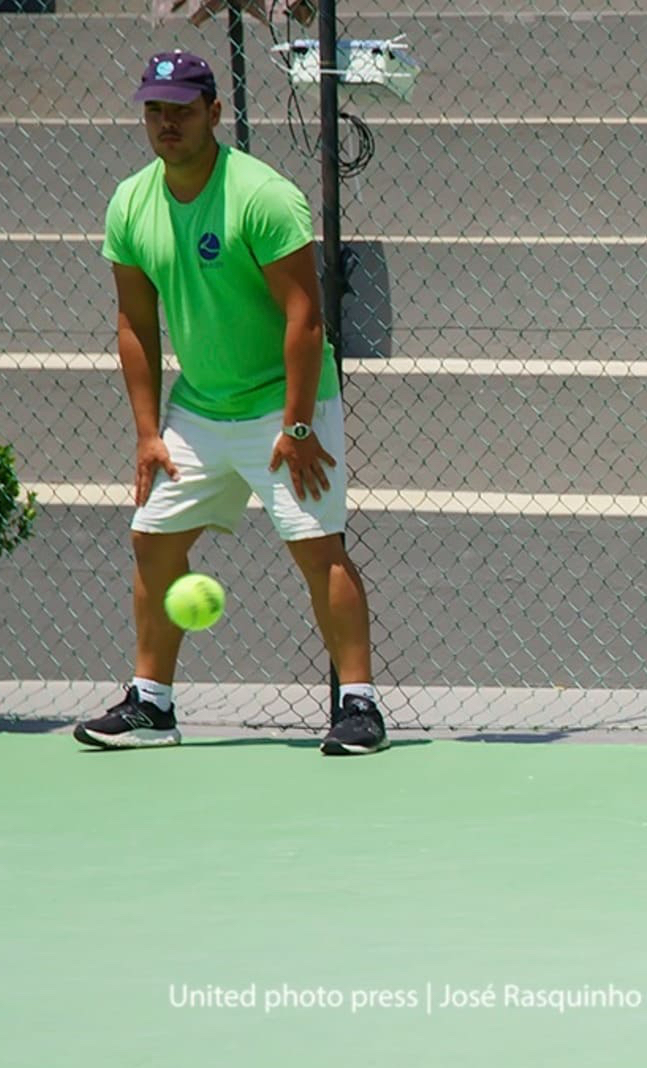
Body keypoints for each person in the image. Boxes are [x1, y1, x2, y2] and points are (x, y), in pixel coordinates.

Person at [71, 50, 388, 756]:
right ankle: (152, 705)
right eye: (155, 110)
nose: (167, 123)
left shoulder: (261, 196)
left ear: (214, 113)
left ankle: (360, 707)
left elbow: (306, 318)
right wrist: (148, 433)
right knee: (152, 540)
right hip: (200, 408)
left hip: (286, 405)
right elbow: (134, 324)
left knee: (318, 547)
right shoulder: (130, 203)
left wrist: (298, 426)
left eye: (182, 110)